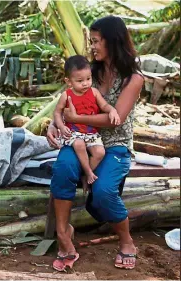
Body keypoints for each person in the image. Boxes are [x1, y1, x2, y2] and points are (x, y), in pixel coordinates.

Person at [47, 16, 144, 271]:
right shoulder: (89, 71)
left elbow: (116, 119)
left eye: (97, 41)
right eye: (92, 41)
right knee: (62, 170)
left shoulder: (133, 79)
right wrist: (53, 123)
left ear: (113, 41)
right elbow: (63, 103)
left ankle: (126, 241)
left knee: (102, 193)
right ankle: (63, 234)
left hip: (115, 145)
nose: (92, 47)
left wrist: (75, 117)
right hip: (80, 138)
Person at [53, 55, 120, 192]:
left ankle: (84, 175)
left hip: (91, 132)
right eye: (80, 81)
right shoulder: (66, 95)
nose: (85, 83)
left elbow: (105, 105)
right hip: (73, 132)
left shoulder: (94, 93)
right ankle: (89, 172)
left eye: (88, 79)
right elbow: (57, 113)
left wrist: (112, 110)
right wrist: (60, 126)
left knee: (100, 152)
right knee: (79, 144)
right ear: (69, 81)